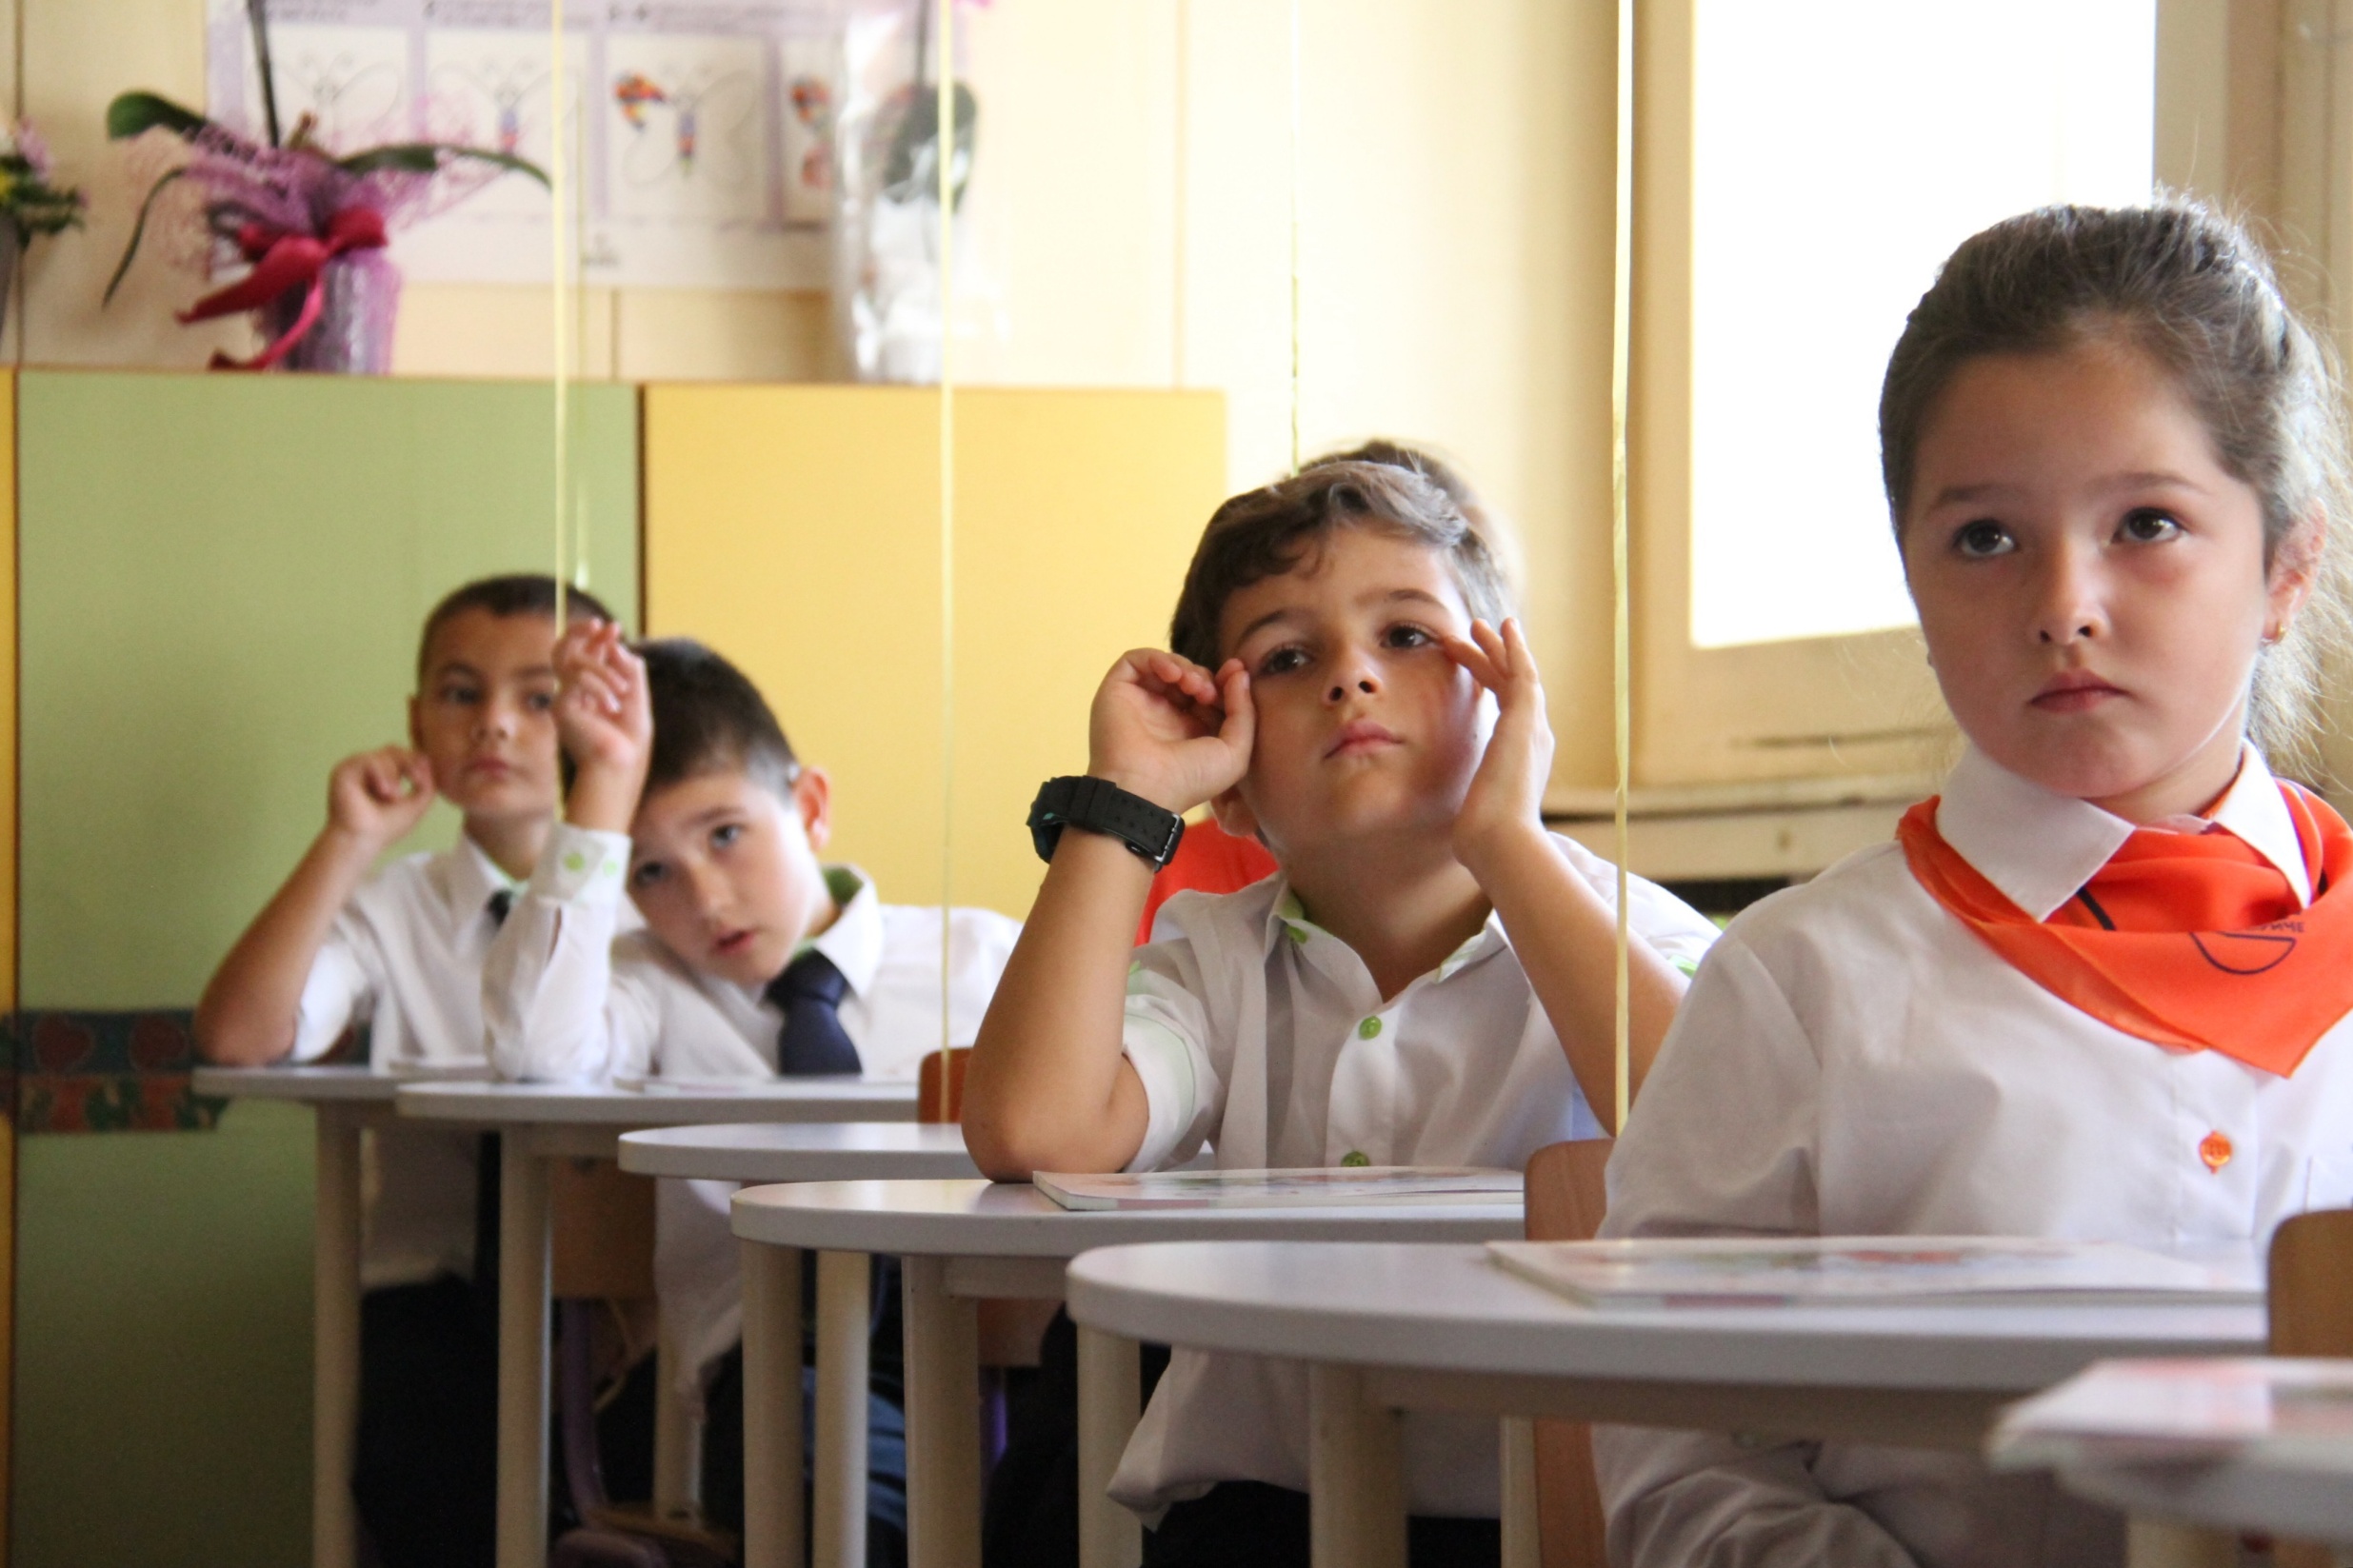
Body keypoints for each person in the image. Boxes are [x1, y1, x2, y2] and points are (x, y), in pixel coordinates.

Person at [1596, 199, 2353, 1568]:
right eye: (1985, 539)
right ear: (1910, 573)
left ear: (2284, 566)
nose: (2063, 604)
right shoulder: (1802, 985)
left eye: (2144, 522)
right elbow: (1675, 1452)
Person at [960, 461, 1721, 1567]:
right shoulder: (1214, 959)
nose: (1351, 677)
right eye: (1285, 657)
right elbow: (1034, 1131)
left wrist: (1503, 840)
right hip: (1256, 1520)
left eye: (1407, 637)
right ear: (1228, 773)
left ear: (1503, 690)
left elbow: (1717, 1140)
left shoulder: (1625, 935)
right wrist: (1124, 801)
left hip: (1537, 1525)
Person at [483, 626, 1022, 1563]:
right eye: (650, 870)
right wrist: (602, 782)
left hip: (994, 1357)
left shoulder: (979, 958)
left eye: (725, 835)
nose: (704, 897)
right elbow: (532, 1052)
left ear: (809, 806)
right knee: (845, 1494)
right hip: (776, 1365)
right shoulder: (646, 986)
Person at [193, 572, 616, 1568]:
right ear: (417, 717)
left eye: (539, 697)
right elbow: (241, 1036)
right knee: (424, 1476)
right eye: (461, 693)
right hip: (434, 1291)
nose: (494, 724)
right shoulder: (394, 906)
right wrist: (349, 840)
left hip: (619, 1301)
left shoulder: (650, 893)